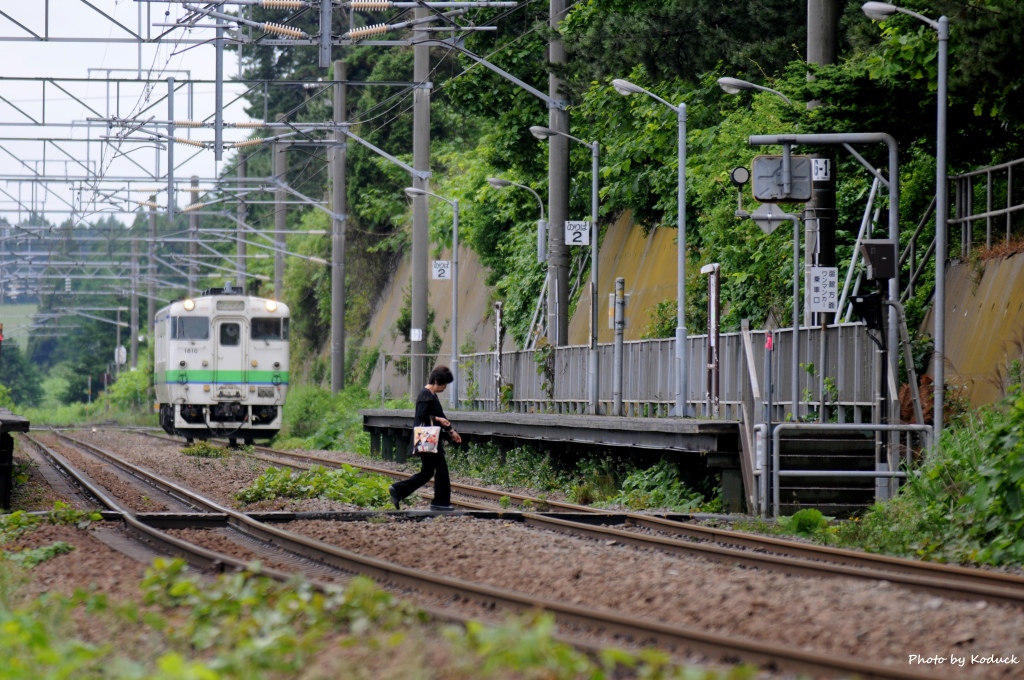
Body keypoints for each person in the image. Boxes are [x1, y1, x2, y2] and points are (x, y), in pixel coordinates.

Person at [389, 365, 462, 511]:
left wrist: (451, 431)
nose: (444, 388)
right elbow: (421, 415)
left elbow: (441, 416)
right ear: (436, 381)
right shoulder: (425, 395)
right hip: (427, 440)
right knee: (441, 470)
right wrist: (438, 420)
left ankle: (398, 490)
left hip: (430, 440)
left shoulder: (431, 395)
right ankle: (440, 503)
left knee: (428, 472)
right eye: (444, 384)